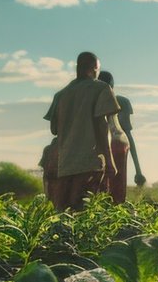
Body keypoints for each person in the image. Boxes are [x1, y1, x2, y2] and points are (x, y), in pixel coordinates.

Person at [43, 52, 118, 212]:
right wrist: (110, 160)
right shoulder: (101, 88)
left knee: (64, 212)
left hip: (64, 164)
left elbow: (54, 129)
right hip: (89, 162)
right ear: (94, 68)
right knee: (84, 210)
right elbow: (102, 126)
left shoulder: (61, 95)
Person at [96, 70, 145, 202]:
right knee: (116, 192)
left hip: (98, 147)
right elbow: (127, 135)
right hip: (115, 146)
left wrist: (138, 170)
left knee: (98, 192)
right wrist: (138, 170)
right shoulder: (122, 102)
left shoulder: (89, 102)